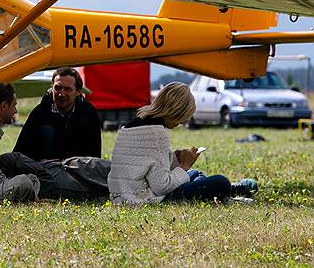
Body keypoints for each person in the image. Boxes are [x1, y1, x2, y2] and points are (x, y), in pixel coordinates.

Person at [108, 82, 257, 205]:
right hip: (141, 199)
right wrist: (184, 165)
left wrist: (174, 158)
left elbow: (147, 166)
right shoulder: (156, 133)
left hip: (123, 195)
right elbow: (161, 186)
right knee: (220, 182)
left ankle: (229, 192)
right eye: (183, 117)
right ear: (176, 112)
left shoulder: (134, 125)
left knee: (194, 174)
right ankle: (229, 192)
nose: (182, 122)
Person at [13, 67, 101, 161]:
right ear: (52, 87)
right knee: (47, 130)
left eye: (67, 89)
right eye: (58, 88)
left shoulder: (88, 114)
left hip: (77, 169)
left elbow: (94, 156)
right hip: (44, 169)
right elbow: (21, 150)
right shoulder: (40, 113)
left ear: (78, 92)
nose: (61, 94)